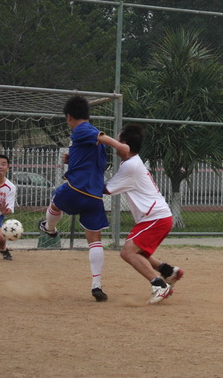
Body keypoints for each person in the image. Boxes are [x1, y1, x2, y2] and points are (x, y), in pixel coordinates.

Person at [37, 95, 111, 301]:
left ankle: (49, 228)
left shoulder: (82, 129)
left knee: (55, 201)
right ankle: (97, 285)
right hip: (94, 196)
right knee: (95, 240)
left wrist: (121, 146)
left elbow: (100, 136)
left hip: (76, 188)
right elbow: (95, 162)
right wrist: (73, 158)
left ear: (69, 117)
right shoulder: (95, 142)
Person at [100, 124, 184, 304]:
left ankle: (159, 285)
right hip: (156, 216)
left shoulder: (130, 166)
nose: (115, 143)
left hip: (155, 217)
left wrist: (80, 173)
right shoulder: (131, 162)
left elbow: (106, 189)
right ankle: (169, 272)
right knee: (138, 252)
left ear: (125, 145)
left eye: (118, 140)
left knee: (128, 253)